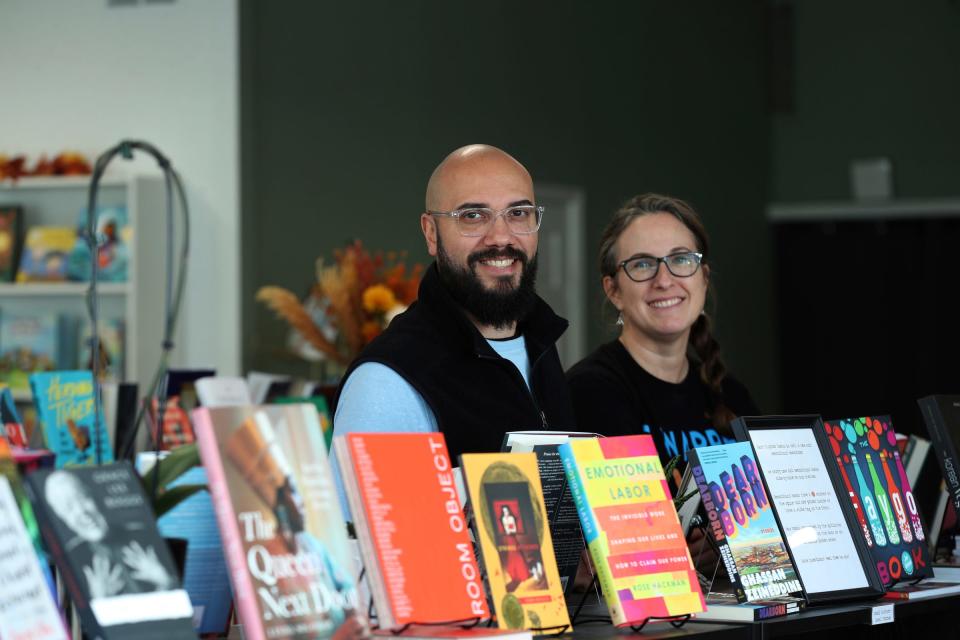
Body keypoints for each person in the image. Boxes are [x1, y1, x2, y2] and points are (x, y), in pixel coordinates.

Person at [332, 144, 576, 462]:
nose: (501, 237)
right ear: (431, 233)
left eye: (518, 213)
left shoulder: (541, 343)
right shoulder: (389, 380)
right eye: (473, 216)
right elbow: (361, 514)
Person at [566, 194, 759, 470]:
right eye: (642, 264)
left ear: (703, 278)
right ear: (614, 291)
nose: (664, 281)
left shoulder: (732, 396)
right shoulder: (591, 392)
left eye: (680, 259)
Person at [44, 470, 175, 598]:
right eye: (68, 508)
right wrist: (99, 598)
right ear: (63, 519)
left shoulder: (146, 535)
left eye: (83, 498)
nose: (81, 511)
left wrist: (166, 581)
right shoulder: (70, 560)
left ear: (94, 497)